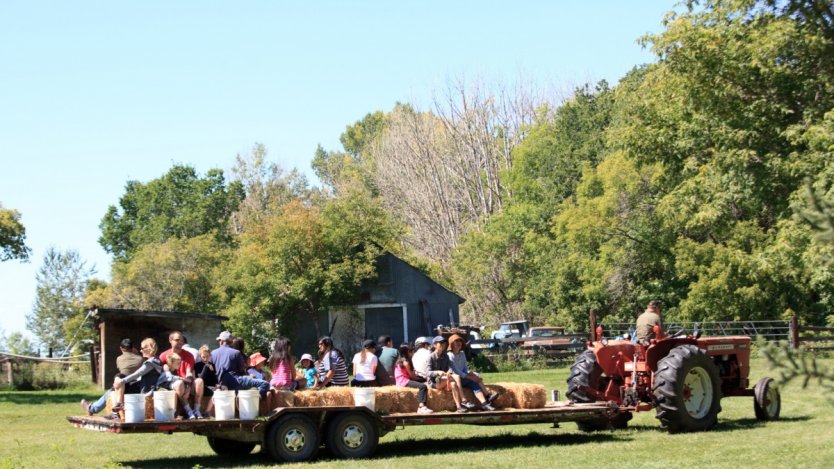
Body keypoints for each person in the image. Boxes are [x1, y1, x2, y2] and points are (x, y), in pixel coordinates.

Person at [80, 338, 143, 416]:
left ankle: (91, 408)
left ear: (121, 348)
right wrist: (136, 353)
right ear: (133, 348)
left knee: (109, 393)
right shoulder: (140, 359)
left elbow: (122, 371)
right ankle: (92, 408)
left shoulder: (119, 359)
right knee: (112, 390)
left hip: (125, 387)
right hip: (137, 387)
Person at [107, 338, 164, 419]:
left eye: (142, 348)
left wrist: (121, 381)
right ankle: (117, 409)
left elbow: (137, 374)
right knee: (114, 387)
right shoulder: (155, 360)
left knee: (118, 379)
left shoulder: (150, 363)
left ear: (149, 348)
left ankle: (117, 408)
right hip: (142, 387)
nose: (140, 351)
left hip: (145, 392)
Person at [159, 330, 204, 419]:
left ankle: (197, 409)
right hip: (173, 383)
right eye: (177, 340)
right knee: (179, 384)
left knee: (199, 381)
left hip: (186, 381)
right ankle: (188, 410)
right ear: (170, 340)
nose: (180, 342)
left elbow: (189, 373)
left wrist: (188, 387)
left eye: (182, 340)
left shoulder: (189, 355)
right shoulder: (164, 356)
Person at [211, 331, 270, 397]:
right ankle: (253, 400)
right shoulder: (236, 353)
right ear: (231, 342)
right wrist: (248, 376)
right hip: (236, 382)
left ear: (221, 341)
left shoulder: (213, 353)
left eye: (219, 341)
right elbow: (242, 370)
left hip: (220, 383)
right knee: (265, 384)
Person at [447, 334, 498, 411]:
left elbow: (465, 368)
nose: (459, 343)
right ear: (451, 344)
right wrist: (470, 377)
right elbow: (456, 371)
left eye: (460, 341)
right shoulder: (449, 355)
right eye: (456, 341)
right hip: (456, 379)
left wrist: (471, 373)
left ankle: (485, 403)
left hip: (463, 377)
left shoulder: (462, 353)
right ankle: (485, 396)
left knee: (475, 381)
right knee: (473, 380)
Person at [426, 336, 466, 413]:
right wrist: (438, 372)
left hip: (444, 380)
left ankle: (459, 407)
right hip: (434, 382)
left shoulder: (445, 356)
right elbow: (427, 373)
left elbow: (450, 368)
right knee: (456, 376)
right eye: (440, 343)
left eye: (444, 343)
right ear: (434, 345)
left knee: (454, 384)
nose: (443, 344)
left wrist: (449, 372)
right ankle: (464, 399)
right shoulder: (430, 357)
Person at [395, 343, 433, 414]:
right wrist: (423, 379)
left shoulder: (400, 360)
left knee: (422, 381)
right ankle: (421, 407)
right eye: (411, 350)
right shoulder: (406, 362)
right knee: (423, 386)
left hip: (402, 380)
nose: (413, 352)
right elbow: (412, 376)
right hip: (404, 381)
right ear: (406, 352)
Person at [194, 345, 217, 414]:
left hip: (210, 387)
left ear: (210, 355)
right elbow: (201, 378)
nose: (205, 359)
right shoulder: (197, 365)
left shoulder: (212, 365)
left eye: (207, 356)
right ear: (200, 356)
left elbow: (214, 377)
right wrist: (206, 366)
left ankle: (207, 411)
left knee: (221, 390)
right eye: (203, 357)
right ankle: (205, 411)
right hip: (201, 388)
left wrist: (217, 384)